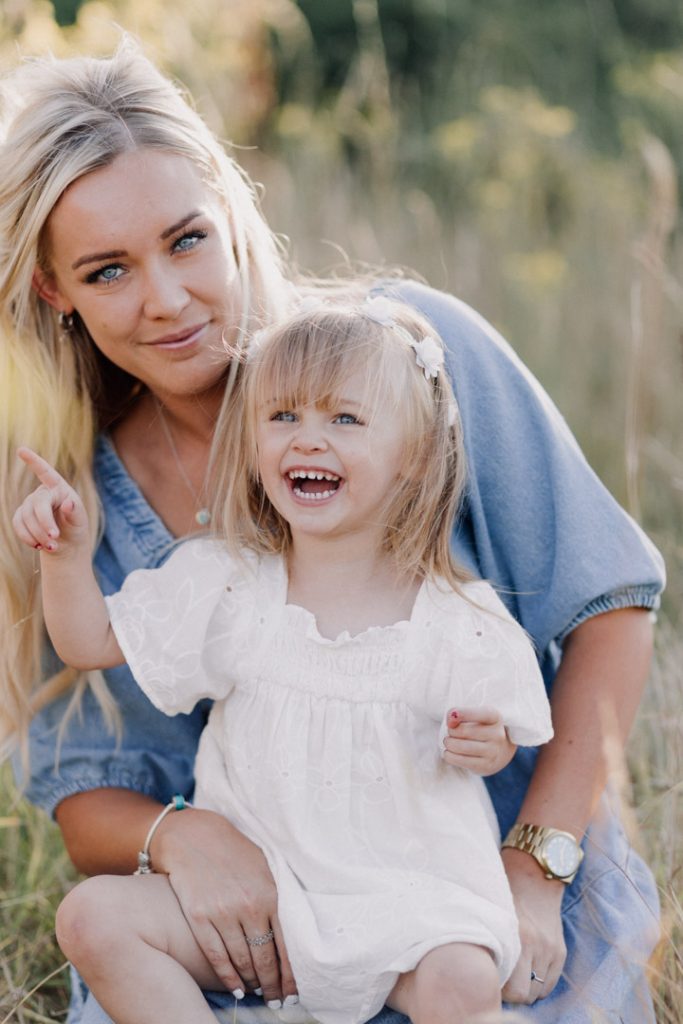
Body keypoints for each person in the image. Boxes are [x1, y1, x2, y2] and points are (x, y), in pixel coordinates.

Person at [0, 41, 665, 1024]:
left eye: (185, 239)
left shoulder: (409, 358)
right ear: (55, 289)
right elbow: (86, 792)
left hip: (485, 896)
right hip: (258, 934)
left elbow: (608, 607)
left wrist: (533, 872)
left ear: (228, 209)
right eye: (108, 270)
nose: (168, 299)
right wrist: (182, 839)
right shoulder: (71, 496)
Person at [13, 299, 557, 1024]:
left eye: (344, 420)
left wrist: (486, 743)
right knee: (92, 919)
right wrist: (66, 558)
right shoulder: (231, 583)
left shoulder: (456, 618)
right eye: (283, 418)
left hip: (408, 904)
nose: (308, 441)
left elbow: (502, 739)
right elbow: (88, 644)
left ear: (414, 454)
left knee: (463, 981)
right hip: (263, 912)